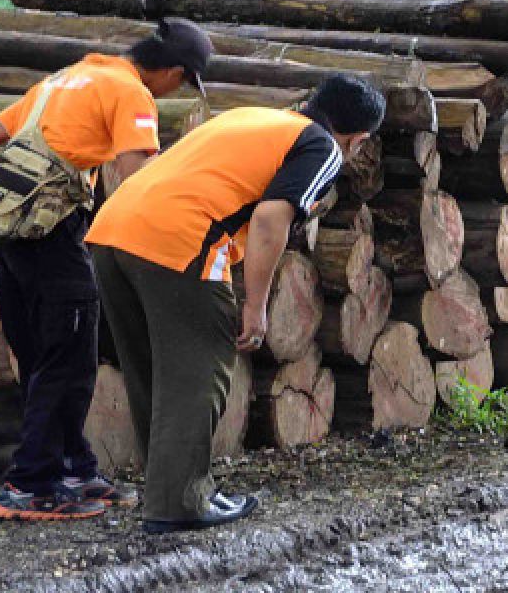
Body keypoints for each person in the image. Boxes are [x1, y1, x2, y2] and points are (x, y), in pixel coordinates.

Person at [85, 73, 385, 533]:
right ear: (359, 139)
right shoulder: (322, 146)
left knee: (151, 372)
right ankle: (182, 502)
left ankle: (166, 493)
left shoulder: (253, 118)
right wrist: (256, 304)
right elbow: (270, 219)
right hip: (179, 239)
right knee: (201, 370)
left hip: (111, 232)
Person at [0, 17, 212, 520]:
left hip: (3, 232)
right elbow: (136, 176)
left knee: (43, 354)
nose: (176, 89)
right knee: (69, 357)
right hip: (51, 229)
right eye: (182, 81)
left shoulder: (66, 79)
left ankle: (75, 469)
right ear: (171, 70)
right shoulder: (132, 93)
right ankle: (31, 485)